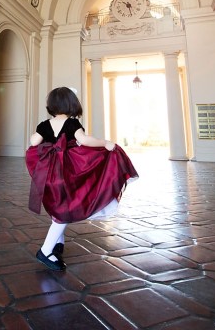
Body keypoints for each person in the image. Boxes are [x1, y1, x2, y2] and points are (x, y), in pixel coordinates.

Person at [25, 87, 139, 271]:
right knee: (66, 208)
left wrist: (44, 135)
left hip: (48, 172)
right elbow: (85, 141)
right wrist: (105, 143)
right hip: (66, 170)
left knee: (58, 205)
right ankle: (45, 251)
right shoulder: (72, 124)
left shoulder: (44, 124)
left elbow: (33, 142)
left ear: (51, 105)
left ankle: (57, 244)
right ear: (71, 104)